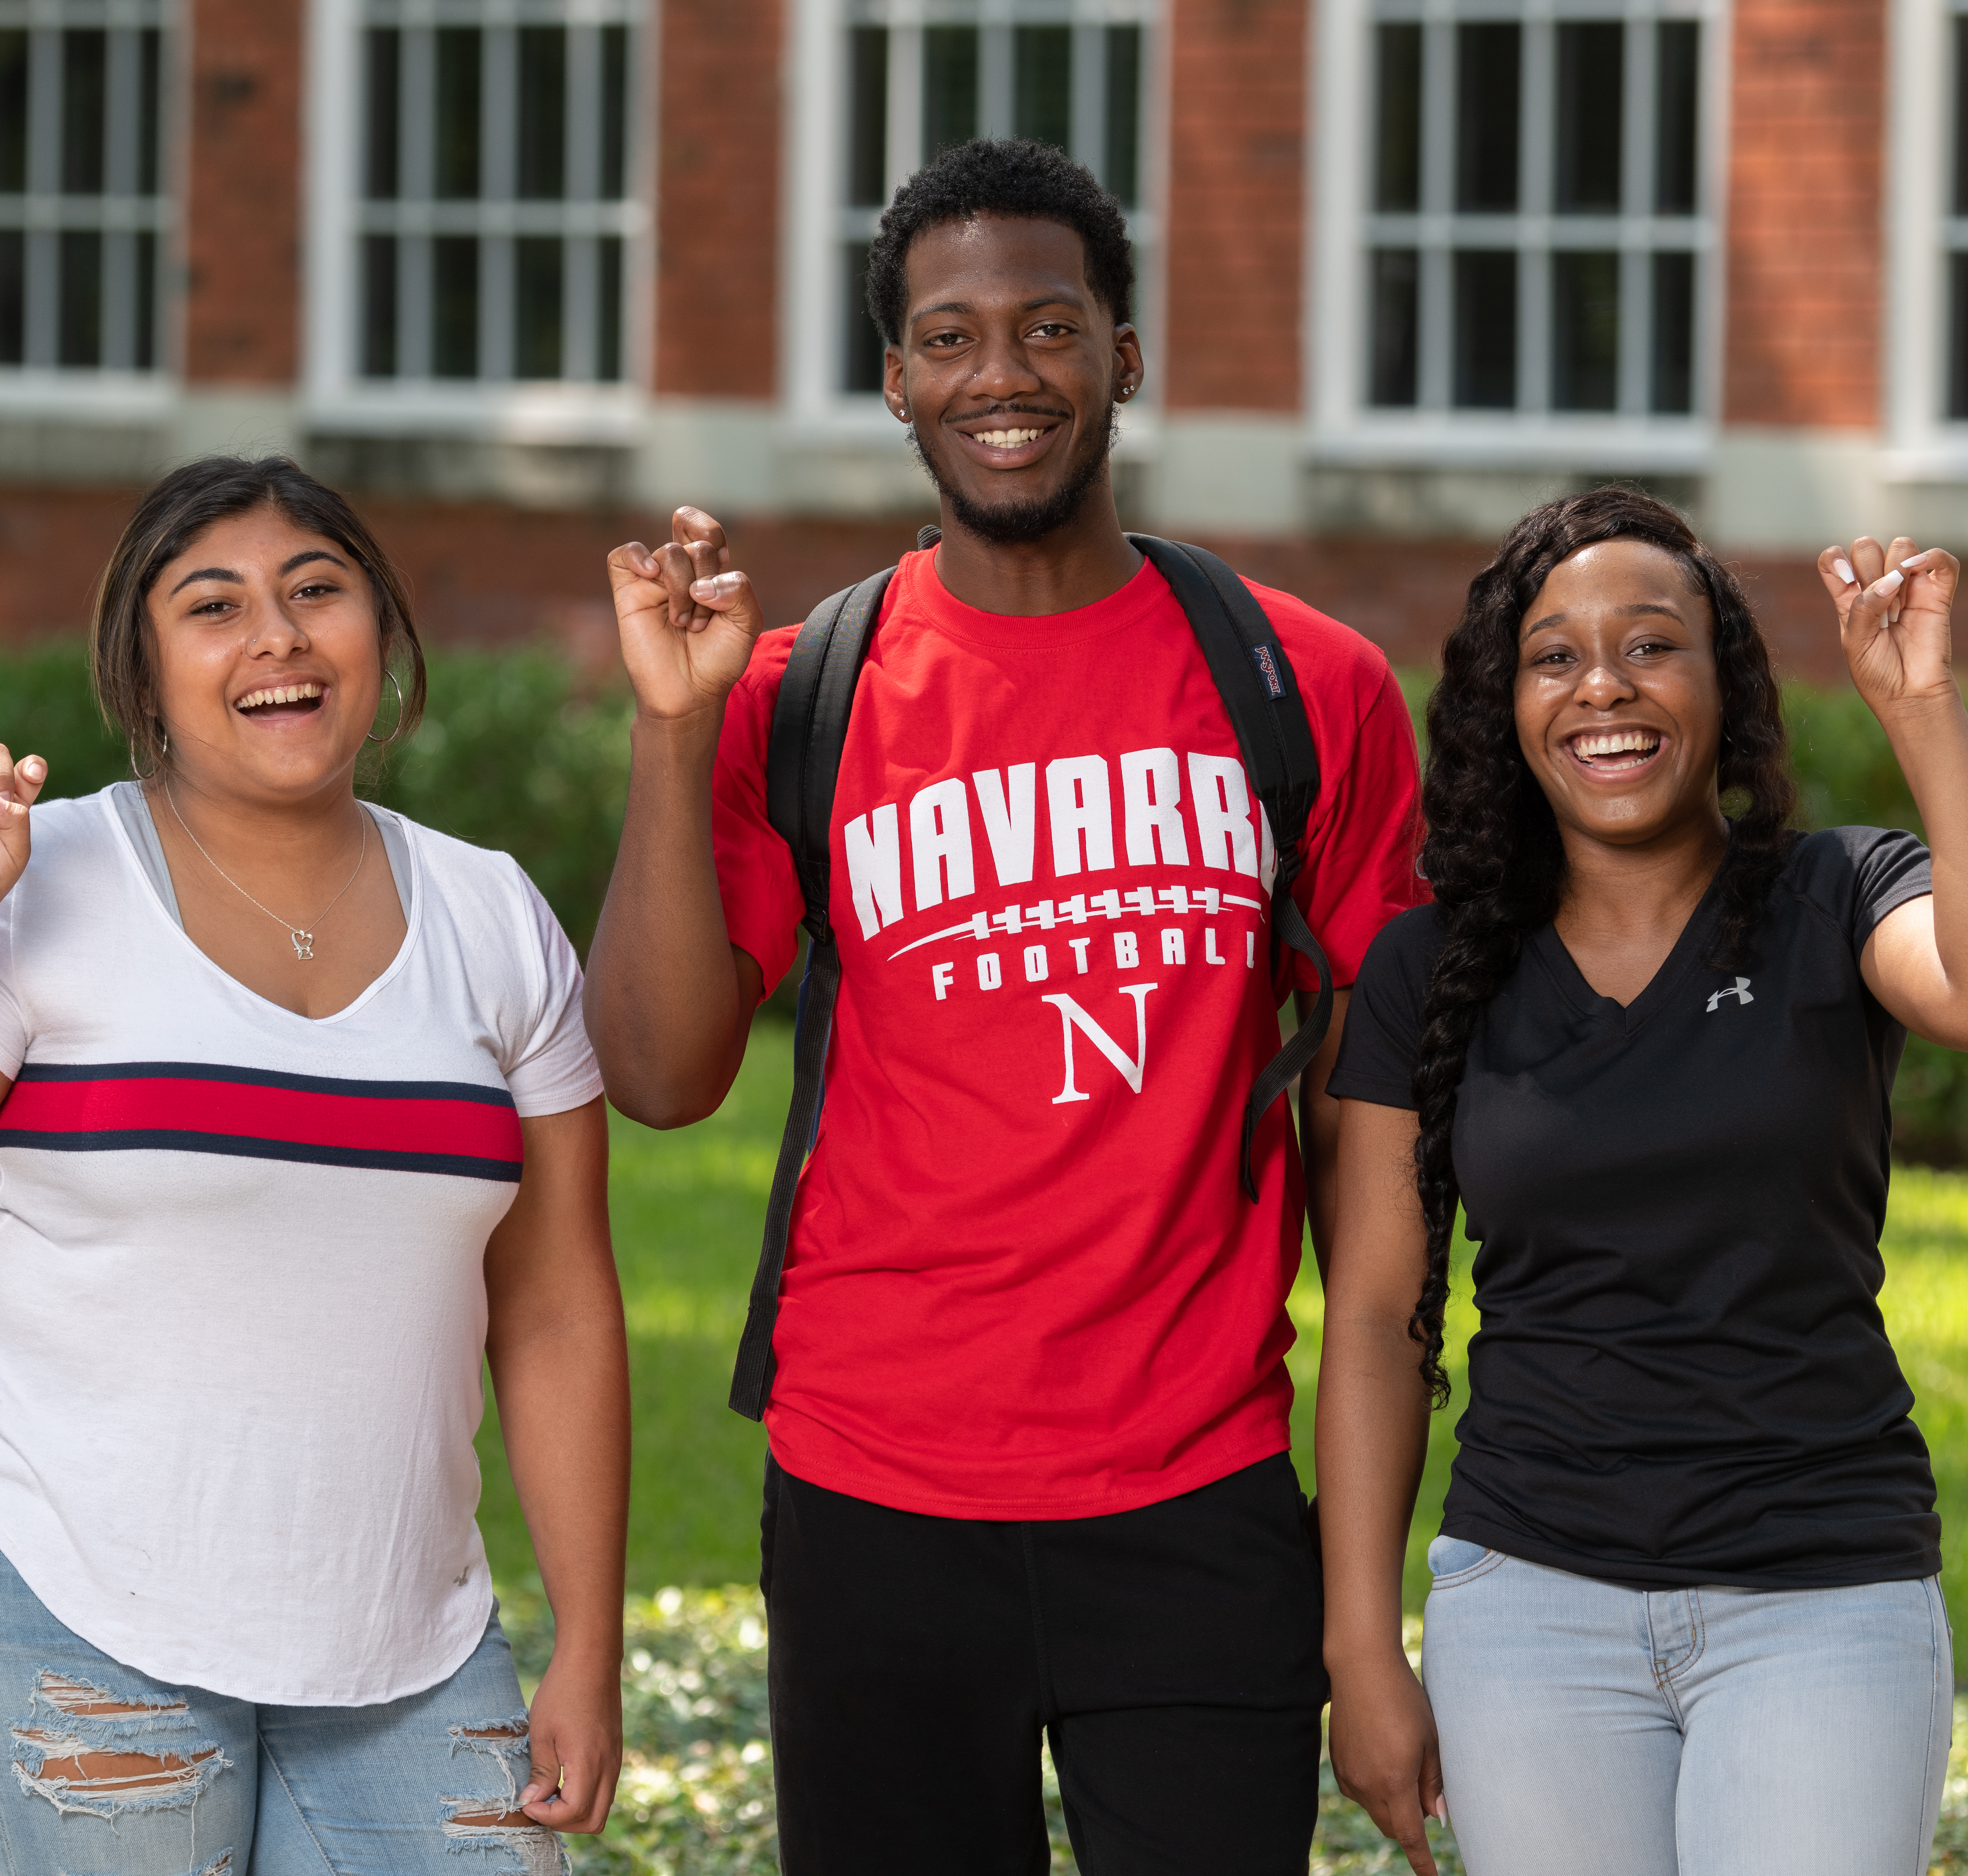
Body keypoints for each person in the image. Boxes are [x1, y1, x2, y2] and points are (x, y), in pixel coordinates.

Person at [582, 137, 1424, 1872]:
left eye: (1049, 327)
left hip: (1199, 1487)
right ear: (894, 382)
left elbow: (1376, 1182)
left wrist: (1364, 1618)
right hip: (875, 1486)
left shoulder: (1307, 687)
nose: (1002, 376)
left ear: (1124, 353)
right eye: (949, 338)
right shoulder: (801, 693)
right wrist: (674, 729)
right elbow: (659, 1073)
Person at [0, 456, 629, 1876]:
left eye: (316, 591)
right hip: (61, 1595)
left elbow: (560, 1301)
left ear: (377, 637)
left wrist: (591, 1637)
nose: (276, 634)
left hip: (405, 1636)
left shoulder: (493, 911)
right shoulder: (53, 877)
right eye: (213, 606)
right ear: (145, 677)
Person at [1315, 490, 1968, 1876]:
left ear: (1725, 688)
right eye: (1557, 656)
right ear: (1507, 703)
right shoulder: (1431, 969)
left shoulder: (1841, 899)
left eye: (1652, 645)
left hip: (1823, 1593)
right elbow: (1376, 1317)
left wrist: (1919, 706)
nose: (1604, 684)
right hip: (1531, 1601)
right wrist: (1361, 1645)